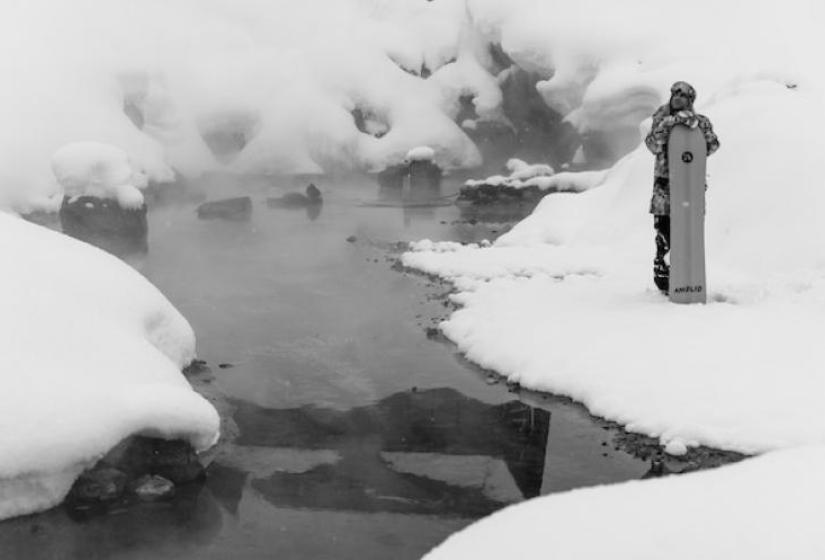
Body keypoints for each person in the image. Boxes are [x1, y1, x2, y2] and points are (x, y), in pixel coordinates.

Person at [644, 81, 720, 294]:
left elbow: (712, 146)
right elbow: (653, 145)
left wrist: (699, 128)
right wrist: (670, 124)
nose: (678, 97)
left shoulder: (701, 122)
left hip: (691, 188)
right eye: (675, 93)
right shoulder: (661, 119)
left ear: (690, 100)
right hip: (665, 190)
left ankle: (689, 278)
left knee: (689, 236)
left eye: (684, 94)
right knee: (666, 238)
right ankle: (665, 282)